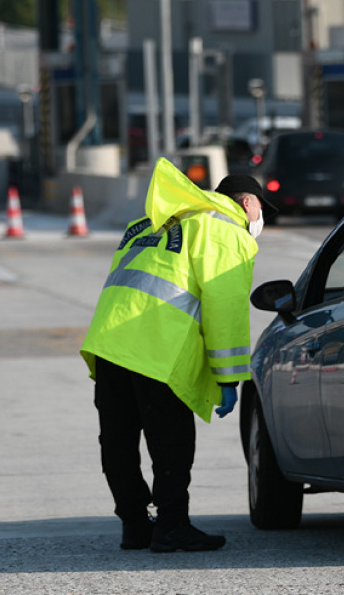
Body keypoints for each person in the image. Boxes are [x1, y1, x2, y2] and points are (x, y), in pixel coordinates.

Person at [80, 158, 274, 551]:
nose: (260, 221)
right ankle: (171, 525)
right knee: (172, 441)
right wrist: (229, 378)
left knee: (118, 440)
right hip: (157, 350)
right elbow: (226, 310)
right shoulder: (225, 231)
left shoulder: (148, 222)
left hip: (109, 344)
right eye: (261, 211)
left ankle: (134, 525)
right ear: (248, 203)